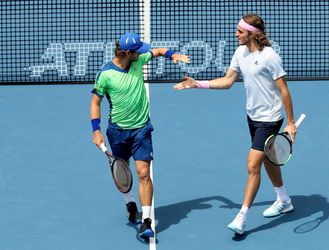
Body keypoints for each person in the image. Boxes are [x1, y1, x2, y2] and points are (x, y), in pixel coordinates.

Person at [173, 14, 297, 235]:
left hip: (270, 118)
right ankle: (284, 199)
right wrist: (197, 84)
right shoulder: (240, 52)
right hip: (253, 116)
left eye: (240, 31)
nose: (235, 34)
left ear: (253, 33)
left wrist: (290, 122)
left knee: (252, 166)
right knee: (269, 159)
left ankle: (242, 217)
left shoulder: (270, 57)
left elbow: (284, 90)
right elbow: (228, 81)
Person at [90, 32, 189, 239]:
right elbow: (95, 102)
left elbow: (160, 51)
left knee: (143, 173)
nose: (142, 54)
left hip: (141, 130)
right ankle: (130, 203)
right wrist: (96, 131)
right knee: (122, 171)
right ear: (127, 53)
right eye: (138, 51)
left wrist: (173, 55)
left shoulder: (138, 60)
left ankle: (146, 221)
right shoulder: (105, 74)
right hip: (117, 131)